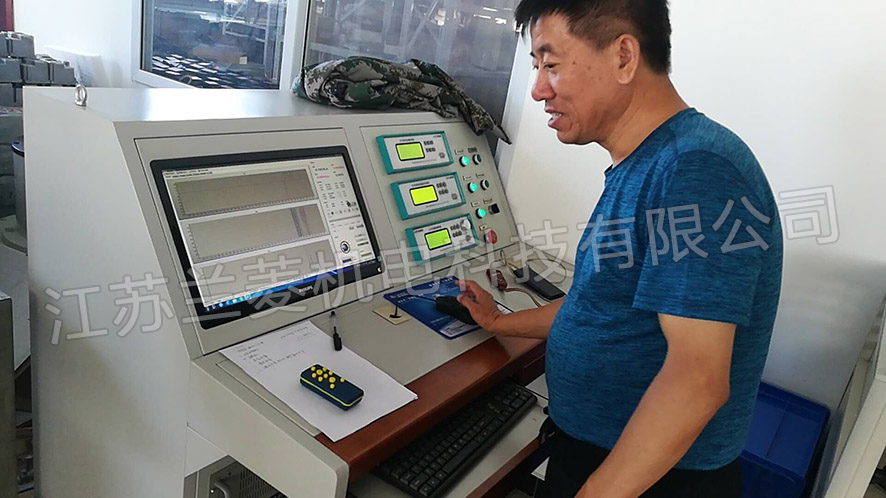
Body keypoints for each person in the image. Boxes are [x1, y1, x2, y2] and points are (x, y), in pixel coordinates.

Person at [455, 1, 783, 497]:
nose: (538, 89)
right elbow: (599, 307)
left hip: (654, 477)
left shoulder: (695, 170)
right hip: (600, 452)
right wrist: (501, 322)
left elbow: (697, 380)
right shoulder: (649, 164)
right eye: (535, 67)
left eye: (551, 64)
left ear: (624, 56)